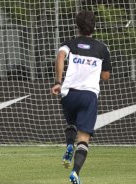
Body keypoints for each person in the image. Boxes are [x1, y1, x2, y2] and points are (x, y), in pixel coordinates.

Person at [51, 10, 111, 184]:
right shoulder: (102, 48)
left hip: (68, 93)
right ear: (93, 27)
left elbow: (60, 56)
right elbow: (106, 76)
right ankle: (75, 173)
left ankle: (69, 144)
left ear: (76, 26)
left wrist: (58, 81)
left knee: (71, 123)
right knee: (84, 138)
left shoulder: (69, 43)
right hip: (88, 95)